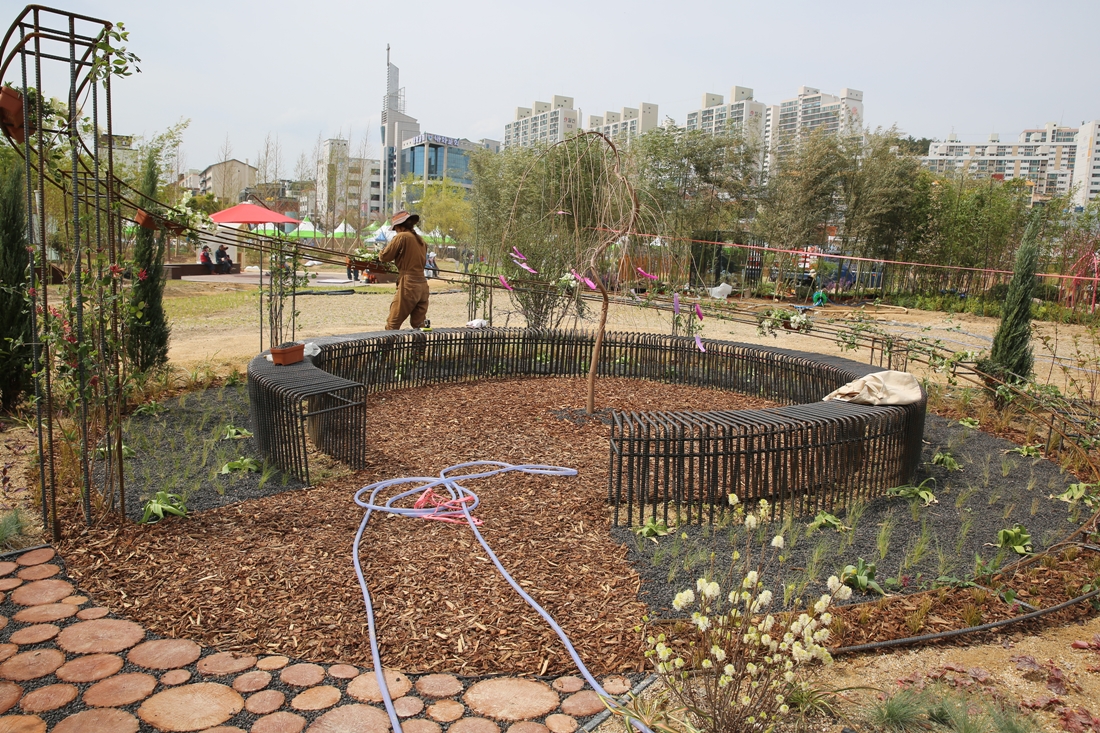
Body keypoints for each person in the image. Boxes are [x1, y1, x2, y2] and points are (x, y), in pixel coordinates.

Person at [380, 210, 429, 330]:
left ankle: (387, 349)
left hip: (408, 285)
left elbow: (385, 257)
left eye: (395, 228)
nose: (395, 231)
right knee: (419, 324)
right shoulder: (421, 240)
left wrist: (379, 253)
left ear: (399, 226)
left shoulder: (402, 237)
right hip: (422, 286)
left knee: (393, 324)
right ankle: (420, 349)